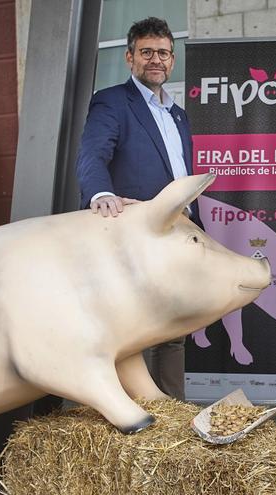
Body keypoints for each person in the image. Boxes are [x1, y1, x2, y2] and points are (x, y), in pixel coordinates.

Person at [75, 16, 194, 400]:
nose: (155, 60)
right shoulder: (112, 101)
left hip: (177, 235)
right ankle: (133, 416)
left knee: (174, 331)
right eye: (147, 52)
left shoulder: (179, 115)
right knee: (134, 333)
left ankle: (174, 414)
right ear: (130, 57)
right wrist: (99, 194)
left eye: (163, 53)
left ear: (172, 60)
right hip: (135, 236)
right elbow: (93, 153)